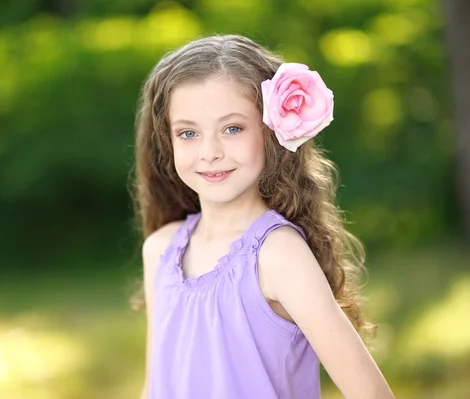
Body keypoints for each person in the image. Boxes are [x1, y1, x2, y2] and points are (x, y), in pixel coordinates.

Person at [130, 34, 394, 399]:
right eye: (188, 133)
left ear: (269, 132)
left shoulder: (277, 256)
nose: (210, 152)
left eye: (232, 128)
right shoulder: (160, 250)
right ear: (168, 141)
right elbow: (155, 386)